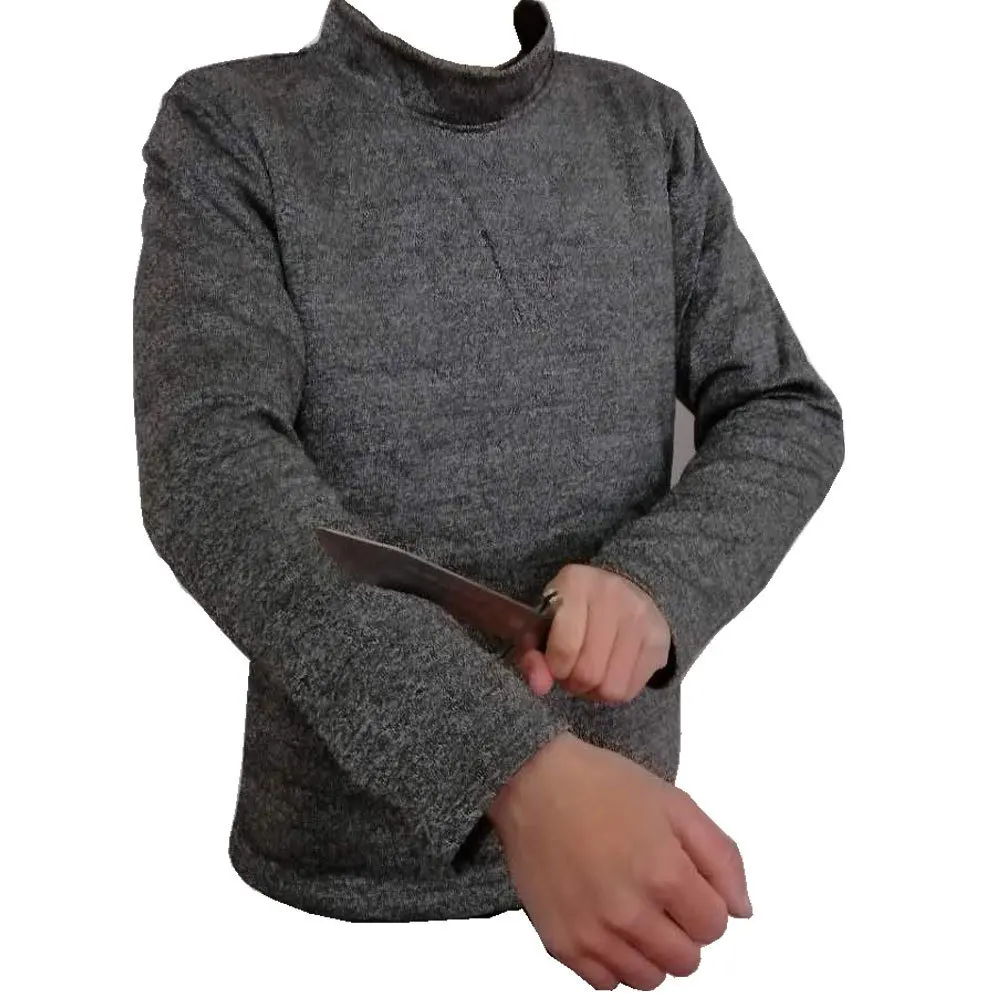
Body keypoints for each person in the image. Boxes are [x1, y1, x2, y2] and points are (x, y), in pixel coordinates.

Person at [133, 0, 844, 990]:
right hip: (334, 909)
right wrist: (512, 766)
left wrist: (656, 583)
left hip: (628, 849)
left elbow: (782, 406)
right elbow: (211, 470)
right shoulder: (234, 122)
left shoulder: (645, 125)